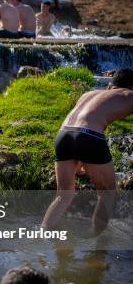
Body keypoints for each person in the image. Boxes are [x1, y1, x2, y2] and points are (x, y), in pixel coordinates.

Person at [42, 68, 133, 235]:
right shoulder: (129, 95)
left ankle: (43, 234)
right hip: (89, 136)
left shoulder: (88, 94)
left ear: (111, 85)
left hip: (63, 135)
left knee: (63, 194)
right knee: (107, 192)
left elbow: (80, 127)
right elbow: (85, 134)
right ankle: (96, 244)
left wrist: (80, 163)